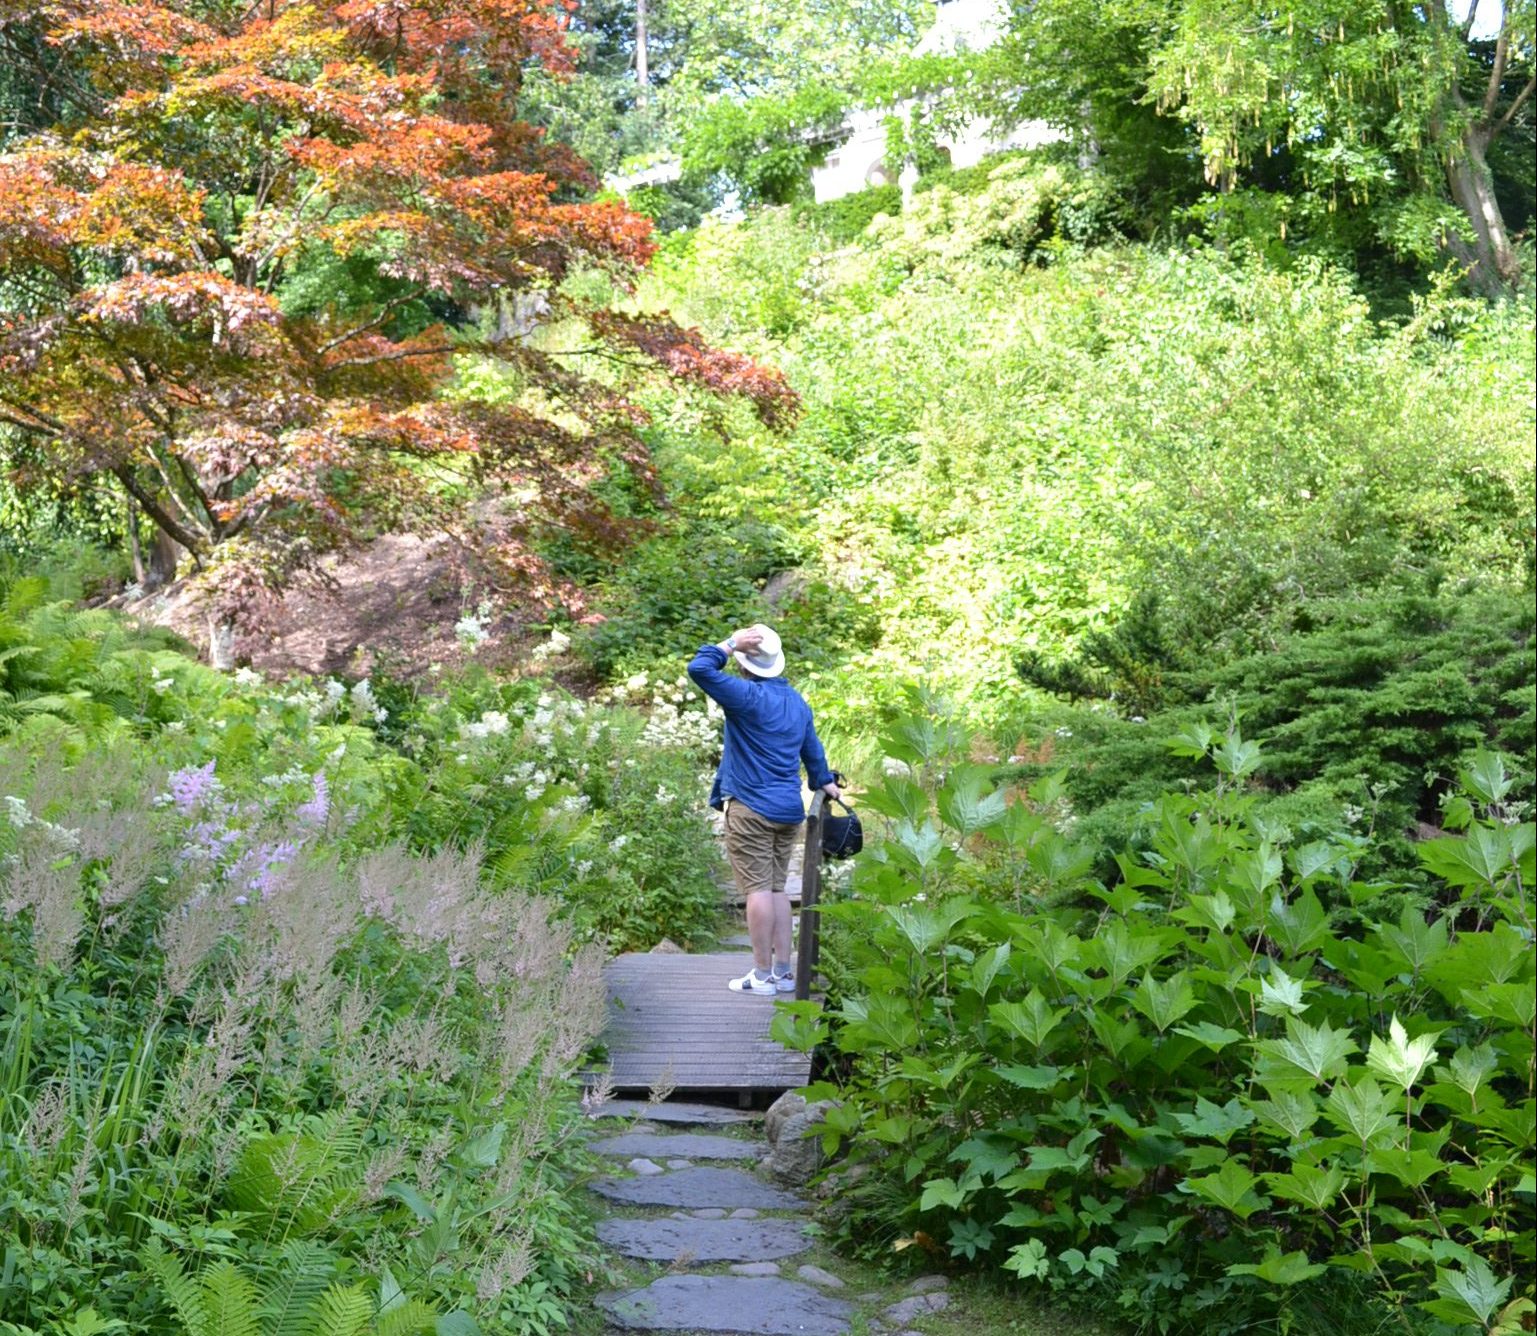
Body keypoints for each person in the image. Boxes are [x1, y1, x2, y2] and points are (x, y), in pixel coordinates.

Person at [688, 624, 840, 996]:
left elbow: (699, 669)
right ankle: (785, 973)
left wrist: (729, 643)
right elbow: (813, 750)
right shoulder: (796, 702)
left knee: (757, 890)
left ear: (744, 662)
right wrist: (824, 780)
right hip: (788, 811)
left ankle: (760, 975)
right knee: (776, 890)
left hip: (751, 808)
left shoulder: (746, 696)